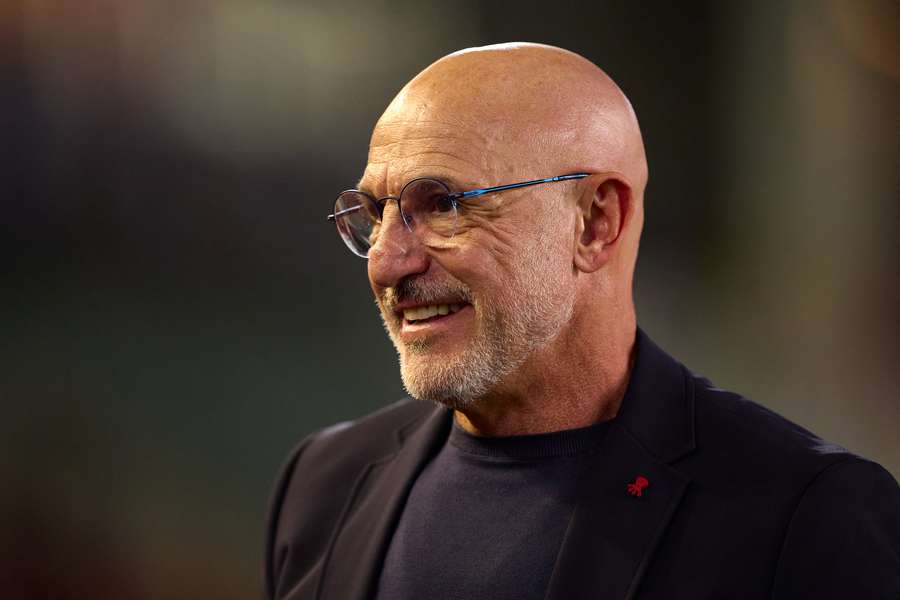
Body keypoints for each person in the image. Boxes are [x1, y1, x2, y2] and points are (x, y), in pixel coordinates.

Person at [264, 43, 900, 600]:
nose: (386, 261)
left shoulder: (807, 514)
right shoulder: (323, 484)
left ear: (597, 222)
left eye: (443, 205)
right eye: (376, 213)